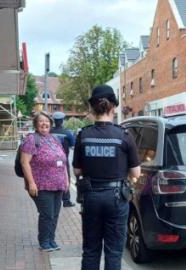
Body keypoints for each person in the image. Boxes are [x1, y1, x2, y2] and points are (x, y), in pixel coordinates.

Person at [72, 85, 141, 270]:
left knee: (91, 250)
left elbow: (77, 171)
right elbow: (136, 173)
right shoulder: (124, 135)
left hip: (91, 197)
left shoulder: (83, 135)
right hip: (117, 197)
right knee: (114, 251)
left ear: (93, 109)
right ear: (113, 108)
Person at [20, 111, 69, 252]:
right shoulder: (31, 140)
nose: (44, 123)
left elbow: (63, 161)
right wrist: (31, 183)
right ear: (36, 124)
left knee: (55, 214)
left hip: (58, 185)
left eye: (47, 121)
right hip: (41, 186)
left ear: (50, 124)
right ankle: (44, 242)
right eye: (41, 121)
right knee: (47, 214)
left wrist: (66, 179)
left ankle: (51, 239)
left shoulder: (54, 139)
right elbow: (25, 162)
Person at [50, 111, 76, 207]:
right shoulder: (67, 133)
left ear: (54, 121)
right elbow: (72, 144)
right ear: (62, 121)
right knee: (65, 178)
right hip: (63, 160)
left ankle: (53, 199)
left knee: (52, 178)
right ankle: (66, 200)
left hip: (50, 160)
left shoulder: (49, 132)